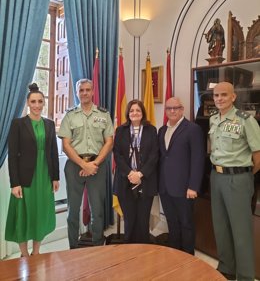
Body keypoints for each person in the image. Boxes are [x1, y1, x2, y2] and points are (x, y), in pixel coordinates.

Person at [209, 82, 260, 281]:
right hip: (216, 177)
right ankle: (226, 269)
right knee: (221, 227)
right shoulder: (214, 119)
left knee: (241, 231)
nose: (219, 99)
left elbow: (258, 154)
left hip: (237, 179)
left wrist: (244, 174)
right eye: (216, 95)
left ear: (233, 97)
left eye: (223, 95)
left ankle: (245, 276)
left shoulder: (245, 120)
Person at [5, 83, 59, 257]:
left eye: (40, 101)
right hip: (25, 178)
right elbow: (12, 155)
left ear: (44, 103)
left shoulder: (50, 124)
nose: (37, 105)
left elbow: (53, 152)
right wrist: (15, 183)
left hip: (45, 177)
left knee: (40, 214)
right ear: (28, 103)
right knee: (24, 214)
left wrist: (55, 178)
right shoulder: (18, 124)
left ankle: (36, 252)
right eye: (33, 101)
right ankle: (24, 254)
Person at [58, 79, 113, 248]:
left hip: (98, 165)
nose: (84, 93)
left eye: (88, 90)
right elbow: (65, 145)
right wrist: (84, 165)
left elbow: (109, 142)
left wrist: (94, 164)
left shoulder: (103, 115)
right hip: (75, 165)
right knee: (72, 211)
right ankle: (73, 248)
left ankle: (97, 247)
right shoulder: (70, 115)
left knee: (98, 210)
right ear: (77, 92)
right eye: (81, 90)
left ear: (93, 91)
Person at [158, 97, 204, 255]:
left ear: (182, 109)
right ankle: (174, 254)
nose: (172, 111)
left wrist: (193, 186)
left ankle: (188, 257)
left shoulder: (192, 129)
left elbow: (198, 160)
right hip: (165, 187)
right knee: (172, 223)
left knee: (186, 223)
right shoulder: (162, 130)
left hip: (184, 188)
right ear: (165, 111)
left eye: (176, 108)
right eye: (169, 108)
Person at [113, 99, 159, 243]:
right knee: (129, 219)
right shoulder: (120, 130)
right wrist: (130, 174)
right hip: (125, 181)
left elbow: (154, 154)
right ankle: (129, 250)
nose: (135, 113)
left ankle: (143, 252)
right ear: (128, 113)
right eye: (132, 110)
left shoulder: (151, 130)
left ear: (142, 113)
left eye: (138, 110)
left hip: (145, 181)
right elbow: (117, 155)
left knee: (143, 220)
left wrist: (140, 174)